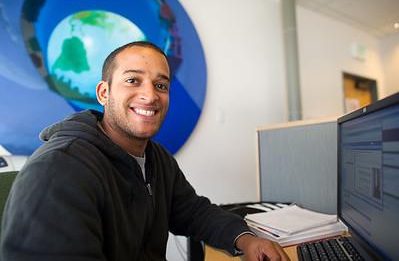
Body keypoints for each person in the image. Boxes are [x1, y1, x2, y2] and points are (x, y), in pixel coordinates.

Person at [0, 41, 289, 261]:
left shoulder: (156, 158)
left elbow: (193, 212)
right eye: (132, 80)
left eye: (160, 85)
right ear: (104, 93)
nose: (150, 95)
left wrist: (246, 239)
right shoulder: (60, 168)